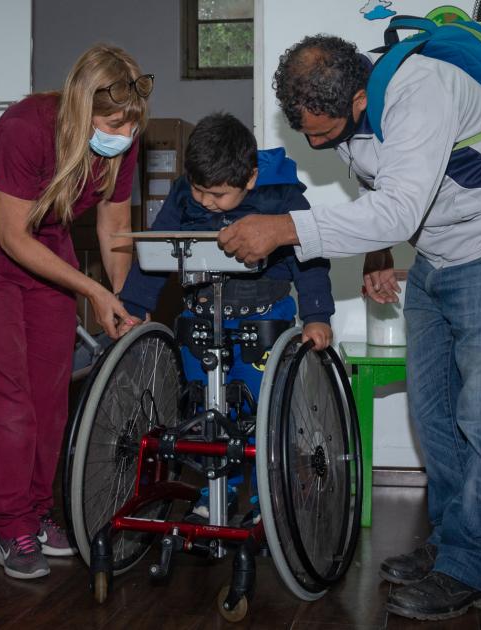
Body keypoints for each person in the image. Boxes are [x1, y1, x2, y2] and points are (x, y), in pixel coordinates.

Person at [219, 34, 481, 621]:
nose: (314, 144)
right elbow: (388, 181)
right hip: (441, 251)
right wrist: (379, 248)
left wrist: (286, 228)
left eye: (322, 133)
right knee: (434, 410)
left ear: (357, 99)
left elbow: (401, 206)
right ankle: (455, 542)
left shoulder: (417, 91)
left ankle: (475, 567)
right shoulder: (350, 105)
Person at [0, 44, 149, 580]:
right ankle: (10, 524)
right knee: (6, 395)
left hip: (47, 238)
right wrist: (92, 293)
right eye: (109, 121)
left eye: (129, 123)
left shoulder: (122, 142)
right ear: (80, 106)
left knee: (49, 392)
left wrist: (118, 299)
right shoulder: (28, 126)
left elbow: (113, 228)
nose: (120, 133)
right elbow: (11, 236)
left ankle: (36, 511)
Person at [118, 113, 334, 519]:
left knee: (260, 413)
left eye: (217, 195)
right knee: (205, 412)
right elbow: (155, 252)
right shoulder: (185, 195)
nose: (205, 201)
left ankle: (262, 495)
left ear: (250, 179)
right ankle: (218, 490)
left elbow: (312, 255)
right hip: (201, 319)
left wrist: (317, 314)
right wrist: (134, 306)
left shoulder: (282, 196)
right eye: (199, 189)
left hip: (263, 321)